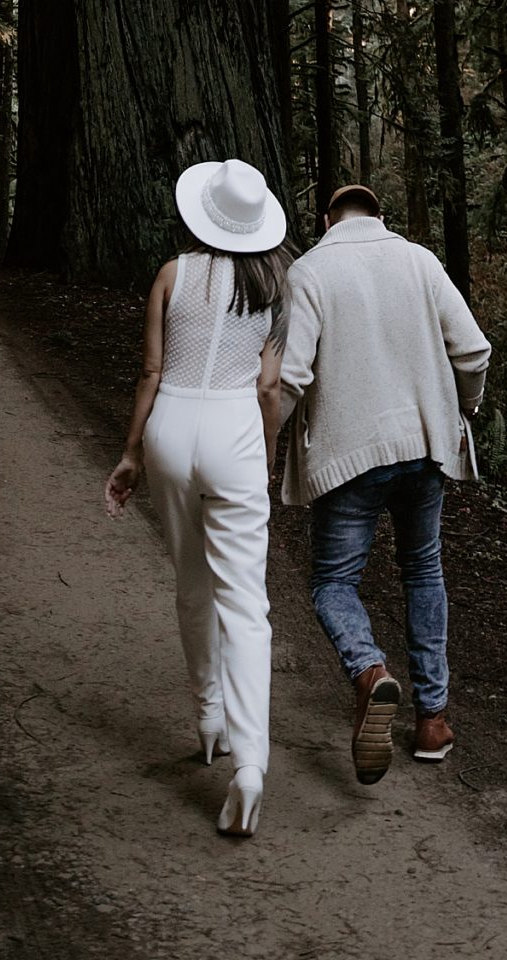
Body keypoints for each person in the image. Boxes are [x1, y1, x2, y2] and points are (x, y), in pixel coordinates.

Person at [278, 182, 491, 786]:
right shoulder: (420, 261)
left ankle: (371, 673)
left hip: (351, 456)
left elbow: (291, 377)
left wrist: (259, 444)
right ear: (380, 216)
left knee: (332, 583)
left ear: (326, 220)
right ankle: (432, 721)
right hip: (424, 446)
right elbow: (472, 351)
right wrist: (464, 409)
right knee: (423, 568)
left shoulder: (310, 271)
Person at [104, 156, 290, 839]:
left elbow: (152, 370)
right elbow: (270, 387)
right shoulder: (276, 283)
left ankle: (207, 716)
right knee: (245, 602)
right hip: (235, 428)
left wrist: (129, 454)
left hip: (171, 429)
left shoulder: (170, 274)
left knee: (190, 583)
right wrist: (264, 463)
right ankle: (249, 766)